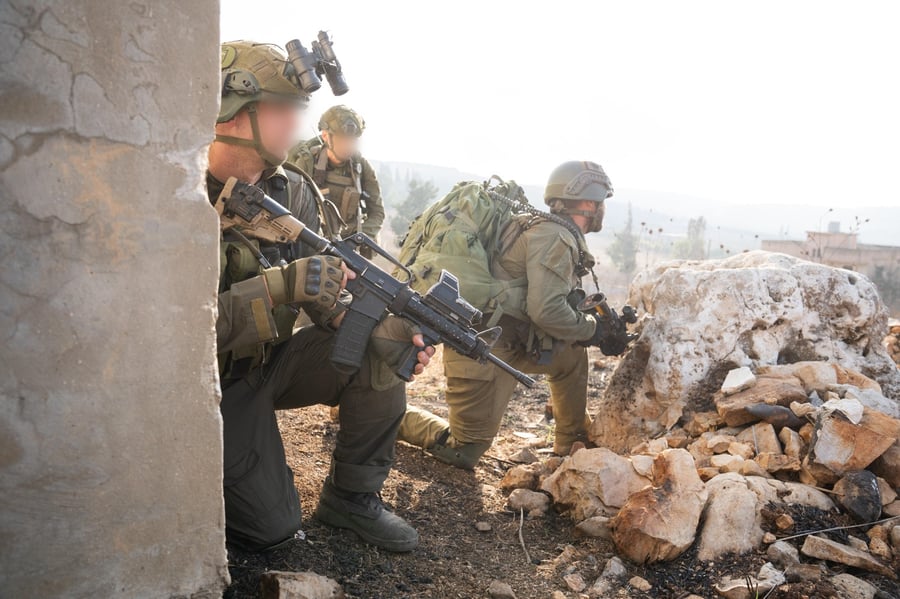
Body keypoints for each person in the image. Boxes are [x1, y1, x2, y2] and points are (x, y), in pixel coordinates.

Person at [212, 40, 431, 552]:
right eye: (284, 109)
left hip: (271, 363)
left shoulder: (293, 192)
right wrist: (280, 287)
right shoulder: (172, 194)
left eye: (299, 110)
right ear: (232, 113)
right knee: (272, 530)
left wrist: (378, 328)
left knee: (385, 348)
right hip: (208, 387)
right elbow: (168, 337)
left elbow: (327, 303)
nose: (296, 123)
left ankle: (351, 499)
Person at [397, 161, 626, 469]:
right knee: (463, 451)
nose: (602, 209)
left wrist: (590, 328)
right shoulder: (555, 237)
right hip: (480, 349)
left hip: (512, 341)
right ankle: (374, 412)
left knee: (571, 351)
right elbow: (546, 310)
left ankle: (571, 443)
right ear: (587, 203)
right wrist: (592, 330)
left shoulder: (544, 227)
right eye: (600, 203)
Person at [289, 105, 385, 247]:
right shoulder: (307, 162)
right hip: (310, 241)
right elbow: (290, 206)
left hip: (347, 244)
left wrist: (357, 240)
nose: (348, 145)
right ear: (326, 136)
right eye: (343, 139)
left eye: (352, 140)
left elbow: (377, 213)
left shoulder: (361, 167)